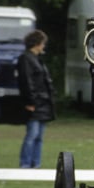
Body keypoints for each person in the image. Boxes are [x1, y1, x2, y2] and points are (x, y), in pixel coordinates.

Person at [17, 30, 55, 168]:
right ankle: (26, 163)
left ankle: (36, 163)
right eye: (42, 43)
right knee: (32, 135)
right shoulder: (26, 59)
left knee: (39, 136)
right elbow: (26, 82)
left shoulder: (36, 58)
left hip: (42, 103)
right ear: (37, 43)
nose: (43, 46)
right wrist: (30, 101)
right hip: (36, 103)